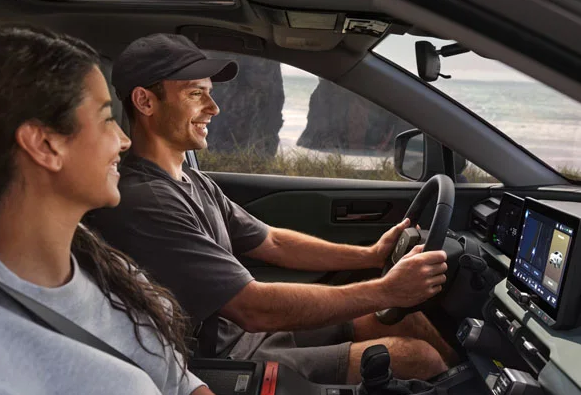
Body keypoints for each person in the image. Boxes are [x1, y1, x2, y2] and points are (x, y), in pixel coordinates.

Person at [86, 33, 458, 385]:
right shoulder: (145, 199)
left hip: (256, 336)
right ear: (145, 101)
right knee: (415, 358)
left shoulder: (191, 181)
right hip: (219, 360)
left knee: (407, 324)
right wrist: (387, 291)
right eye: (195, 94)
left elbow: (274, 243)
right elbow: (253, 308)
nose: (213, 108)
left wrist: (371, 255)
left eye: (210, 93)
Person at [0, 27, 210, 395]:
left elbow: (178, 382)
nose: (125, 139)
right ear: (45, 144)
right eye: (105, 118)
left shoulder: (92, 258)